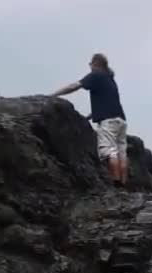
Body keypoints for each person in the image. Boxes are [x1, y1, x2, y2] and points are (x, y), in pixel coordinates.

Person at [52, 53, 129, 187]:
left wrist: (53, 95)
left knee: (109, 151)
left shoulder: (96, 75)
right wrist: (88, 117)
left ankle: (116, 183)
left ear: (95, 63)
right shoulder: (110, 79)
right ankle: (124, 183)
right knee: (122, 153)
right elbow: (107, 103)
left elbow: (74, 86)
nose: (89, 67)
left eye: (90, 64)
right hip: (121, 120)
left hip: (108, 121)